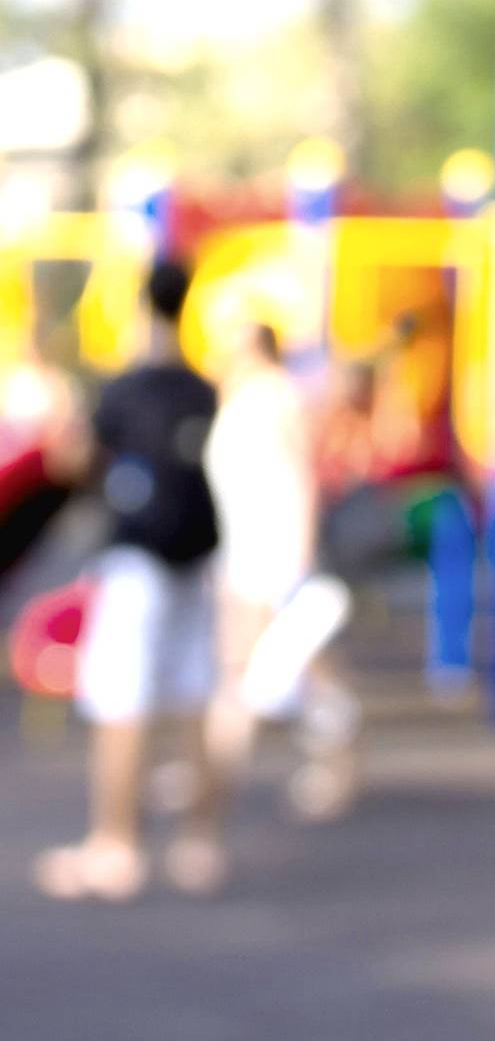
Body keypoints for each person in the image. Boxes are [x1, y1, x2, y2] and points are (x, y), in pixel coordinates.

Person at [33, 256, 227, 900]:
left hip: (139, 558)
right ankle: (199, 842)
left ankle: (115, 845)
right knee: (194, 695)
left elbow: (72, 458)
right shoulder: (204, 389)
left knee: (123, 700)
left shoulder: (124, 389)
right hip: (196, 560)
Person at [200, 317, 322, 820]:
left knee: (287, 664)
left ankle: (332, 757)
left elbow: (303, 473)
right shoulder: (235, 399)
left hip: (272, 549)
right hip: (239, 548)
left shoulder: (278, 396)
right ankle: (214, 766)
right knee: (243, 666)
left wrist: (301, 548)